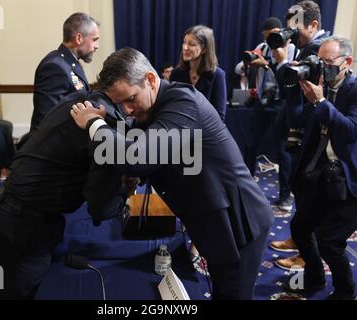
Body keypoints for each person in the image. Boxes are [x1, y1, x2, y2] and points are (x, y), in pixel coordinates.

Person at [70, 48, 274, 300]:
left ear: (151, 80)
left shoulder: (182, 101)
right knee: (222, 287)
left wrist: (93, 123)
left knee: (233, 292)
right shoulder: (150, 108)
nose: (128, 110)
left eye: (130, 99)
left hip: (238, 220)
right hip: (210, 215)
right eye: (119, 104)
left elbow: (137, 159)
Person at [0, 90, 129, 300]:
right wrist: (124, 188)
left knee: (1, 284)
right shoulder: (103, 120)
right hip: (22, 223)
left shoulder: (81, 100)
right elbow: (100, 207)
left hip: (10, 210)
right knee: (14, 289)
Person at [279, 36, 357, 300]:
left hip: (354, 178)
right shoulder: (320, 86)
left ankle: (345, 292)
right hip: (323, 173)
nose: (323, 66)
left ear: (348, 62)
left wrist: (321, 103)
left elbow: (352, 131)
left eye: (328, 62)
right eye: (319, 61)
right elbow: (301, 124)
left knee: (329, 242)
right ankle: (314, 278)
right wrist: (297, 91)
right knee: (300, 227)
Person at [269, 0, 331, 269]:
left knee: (309, 194)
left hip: (313, 132)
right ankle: (298, 239)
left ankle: (307, 255)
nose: (291, 35)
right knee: (300, 189)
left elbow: (293, 86)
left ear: (314, 25)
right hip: (301, 127)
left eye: (296, 29)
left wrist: (284, 61)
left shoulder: (320, 51)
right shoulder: (307, 47)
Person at [235, 17, 295, 212]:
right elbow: (239, 68)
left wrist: (266, 65)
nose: (271, 40)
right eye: (268, 36)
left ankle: (285, 196)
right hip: (262, 103)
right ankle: (246, 185)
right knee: (249, 144)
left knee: (282, 151)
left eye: (274, 35)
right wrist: (248, 64)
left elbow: (288, 75)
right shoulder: (261, 46)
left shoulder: (290, 48)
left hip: (281, 104)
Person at [30, 12, 100, 131]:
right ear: (79, 38)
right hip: (53, 146)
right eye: (94, 40)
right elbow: (48, 118)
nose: (97, 46)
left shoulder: (68, 63)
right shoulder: (54, 66)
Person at [170, 25, 227, 123]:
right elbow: (171, 107)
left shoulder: (218, 75)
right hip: (180, 132)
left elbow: (219, 116)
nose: (185, 47)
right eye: (184, 42)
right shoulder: (176, 73)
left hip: (206, 134)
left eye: (191, 44)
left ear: (204, 49)